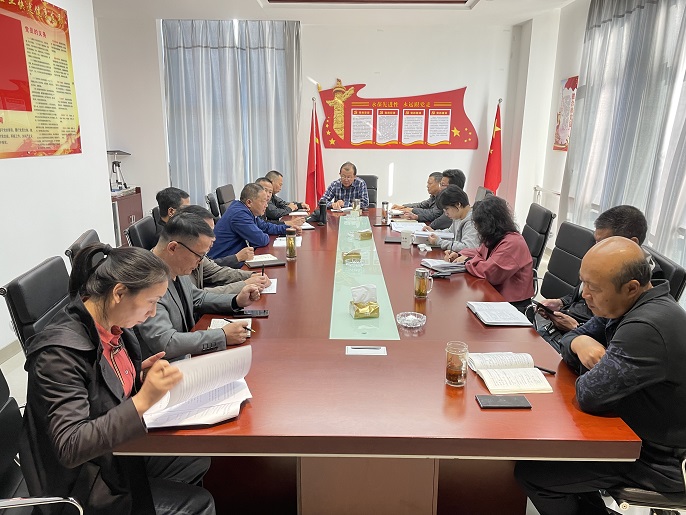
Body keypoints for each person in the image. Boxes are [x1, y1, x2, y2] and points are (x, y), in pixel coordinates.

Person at [19, 243, 215, 515]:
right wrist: (143, 400)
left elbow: (103, 385)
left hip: (115, 454)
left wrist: (139, 375)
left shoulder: (113, 325)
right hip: (89, 482)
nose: (153, 313)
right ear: (119, 293)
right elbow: (71, 445)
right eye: (151, 302)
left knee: (195, 459)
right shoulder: (58, 354)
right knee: (199, 503)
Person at [515, 237, 686, 515]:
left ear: (631, 287)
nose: (584, 295)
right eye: (583, 282)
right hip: (635, 432)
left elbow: (589, 395)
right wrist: (579, 342)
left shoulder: (646, 327)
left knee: (535, 474)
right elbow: (570, 339)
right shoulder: (623, 304)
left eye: (593, 288)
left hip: (659, 459)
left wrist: (583, 349)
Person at [135, 211, 261, 361]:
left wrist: (236, 301)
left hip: (187, 357)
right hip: (164, 368)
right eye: (199, 255)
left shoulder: (175, 267)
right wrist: (221, 336)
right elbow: (166, 343)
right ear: (173, 248)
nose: (201, 262)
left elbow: (197, 297)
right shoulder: (146, 281)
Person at [536, 205, 661, 346]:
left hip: (584, 341)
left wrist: (575, 328)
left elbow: (616, 336)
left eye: (603, 243)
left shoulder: (646, 283)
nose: (595, 248)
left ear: (631, 243)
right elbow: (581, 291)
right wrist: (561, 302)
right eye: (595, 241)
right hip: (563, 331)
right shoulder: (604, 260)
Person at [447, 196, 534, 311]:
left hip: (513, 305)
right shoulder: (496, 236)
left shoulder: (513, 243)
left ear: (489, 223)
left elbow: (489, 273)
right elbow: (480, 252)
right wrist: (459, 254)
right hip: (495, 295)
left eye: (479, 224)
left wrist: (467, 261)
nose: (477, 228)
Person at [179, 204, 271, 294]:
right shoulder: (179, 259)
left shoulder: (199, 254)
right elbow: (196, 296)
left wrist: (252, 275)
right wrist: (245, 284)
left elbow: (217, 272)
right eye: (208, 232)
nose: (214, 238)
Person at [155, 186, 254, 267]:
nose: (189, 213)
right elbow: (201, 267)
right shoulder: (167, 237)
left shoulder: (177, 229)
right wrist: (236, 258)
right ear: (171, 211)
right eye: (185, 209)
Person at [209, 183, 302, 260]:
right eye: (264, 201)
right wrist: (263, 233)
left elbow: (265, 226)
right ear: (249, 202)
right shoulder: (239, 215)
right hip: (225, 264)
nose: (266, 205)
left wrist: (288, 229)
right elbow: (261, 240)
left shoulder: (245, 210)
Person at [427, 185, 479, 253]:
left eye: (447, 209)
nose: (446, 214)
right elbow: (450, 232)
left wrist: (440, 242)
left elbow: (467, 248)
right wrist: (434, 232)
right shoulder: (458, 217)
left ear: (458, 204)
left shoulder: (472, 222)